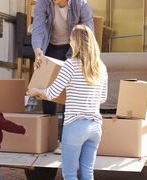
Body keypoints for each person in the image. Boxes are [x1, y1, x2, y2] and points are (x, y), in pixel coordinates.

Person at [27, 25, 108, 180]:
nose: (70, 42)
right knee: (87, 173)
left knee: (69, 174)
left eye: (71, 39)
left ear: (76, 42)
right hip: (95, 126)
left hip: (75, 125)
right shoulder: (101, 67)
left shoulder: (70, 65)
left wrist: (36, 91)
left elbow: (52, 93)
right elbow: (102, 98)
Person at [31, 0, 94, 115]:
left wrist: (84, 58)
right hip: (51, 45)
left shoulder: (81, 2)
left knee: (71, 85)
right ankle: (48, 124)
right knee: (47, 83)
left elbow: (88, 33)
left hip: (72, 48)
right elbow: (38, 27)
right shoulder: (44, 0)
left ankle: (67, 125)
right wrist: (38, 51)